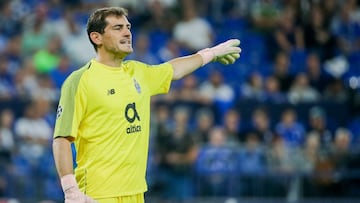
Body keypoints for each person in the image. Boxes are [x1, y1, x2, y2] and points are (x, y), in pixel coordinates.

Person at [52, 7, 241, 203]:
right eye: (118, 28)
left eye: (128, 27)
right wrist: (70, 190)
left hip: (136, 193)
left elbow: (174, 70)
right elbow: (61, 139)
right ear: (96, 38)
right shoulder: (79, 81)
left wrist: (210, 53)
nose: (127, 32)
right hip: (98, 194)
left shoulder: (138, 72)